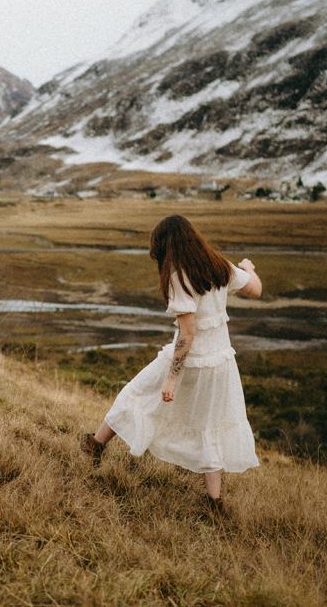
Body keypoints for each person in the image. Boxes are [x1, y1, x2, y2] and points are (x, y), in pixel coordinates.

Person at [80, 214, 262, 513]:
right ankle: (214, 503)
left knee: (135, 394)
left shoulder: (180, 275)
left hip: (189, 361)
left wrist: (171, 379)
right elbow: (255, 289)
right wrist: (248, 268)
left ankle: (94, 445)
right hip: (220, 365)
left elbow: (188, 334)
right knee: (210, 427)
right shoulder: (219, 266)